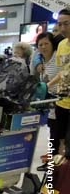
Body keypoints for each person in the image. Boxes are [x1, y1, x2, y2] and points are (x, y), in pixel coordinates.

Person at [32, 32, 62, 171]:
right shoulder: (41, 61)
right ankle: (52, 160)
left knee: (58, 134)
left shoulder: (58, 57)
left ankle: (57, 162)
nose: (43, 47)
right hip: (50, 102)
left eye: (46, 44)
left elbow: (63, 75)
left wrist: (47, 85)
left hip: (61, 100)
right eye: (40, 45)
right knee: (52, 133)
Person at [48, 8, 70, 158]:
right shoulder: (62, 45)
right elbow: (63, 72)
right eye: (60, 24)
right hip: (61, 102)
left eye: (66, 24)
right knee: (59, 142)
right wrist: (47, 85)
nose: (62, 28)